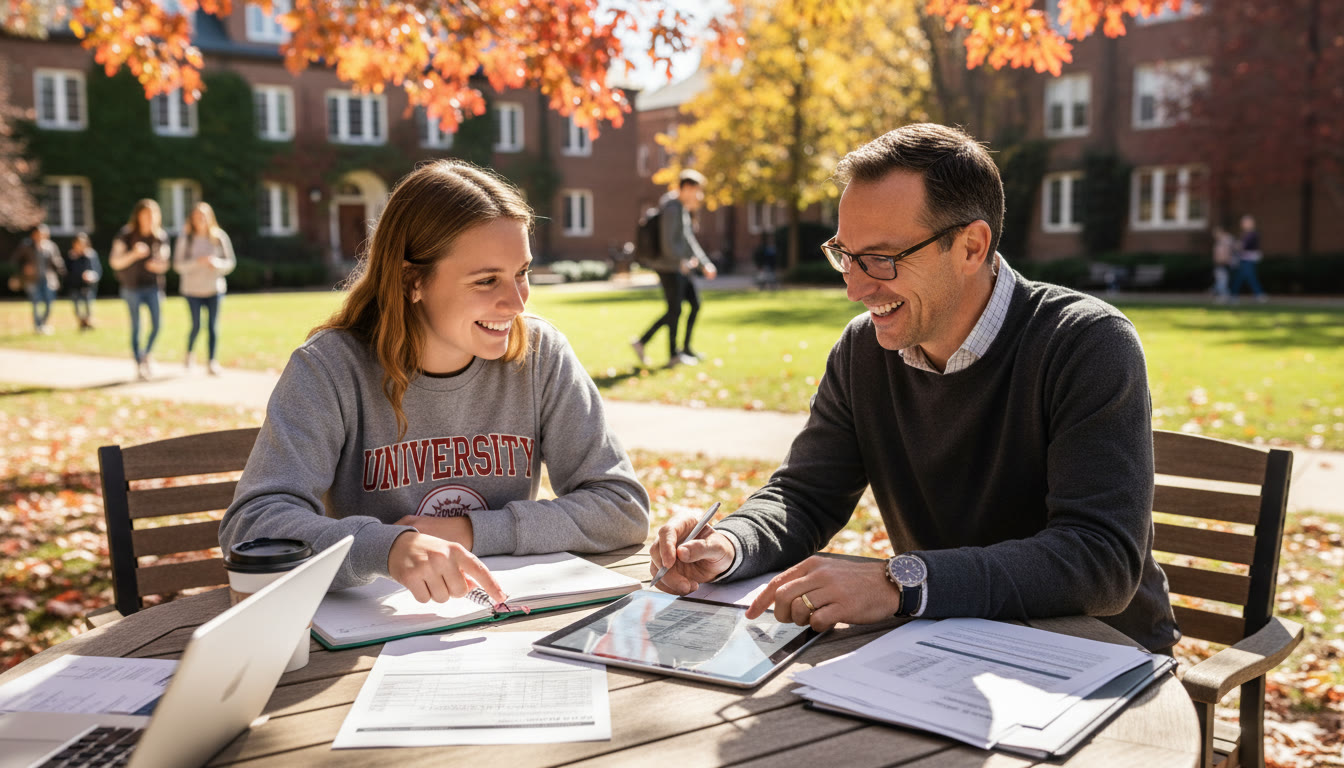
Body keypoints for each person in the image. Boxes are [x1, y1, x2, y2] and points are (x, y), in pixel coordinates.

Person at [648, 123, 1179, 653]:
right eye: (845, 255)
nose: (855, 287)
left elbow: (1100, 559)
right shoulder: (863, 350)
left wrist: (900, 582)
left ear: (971, 247)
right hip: (941, 645)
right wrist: (731, 542)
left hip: (1099, 657)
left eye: (882, 259)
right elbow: (806, 496)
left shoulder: (1085, 343)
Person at [220, 160, 651, 603]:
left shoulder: (540, 355)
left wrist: (469, 531)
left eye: (522, 273)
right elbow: (254, 524)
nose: (517, 302)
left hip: (504, 620)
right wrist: (386, 548)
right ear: (412, 280)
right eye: (487, 280)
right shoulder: (330, 369)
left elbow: (621, 507)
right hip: (369, 638)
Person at [631, 169, 718, 368]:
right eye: (697, 190)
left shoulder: (680, 207)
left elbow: (688, 240)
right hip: (667, 266)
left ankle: (676, 348)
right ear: (687, 188)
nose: (699, 195)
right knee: (675, 310)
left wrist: (704, 263)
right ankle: (671, 353)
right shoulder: (671, 208)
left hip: (678, 265)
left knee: (691, 305)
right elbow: (669, 242)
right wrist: (683, 261)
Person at [108, 199, 171, 380]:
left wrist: (158, 265)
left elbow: (164, 263)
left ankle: (146, 355)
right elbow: (115, 262)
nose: (150, 219)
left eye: (153, 215)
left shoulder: (160, 236)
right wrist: (133, 254)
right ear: (138, 216)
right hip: (131, 287)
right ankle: (139, 363)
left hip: (152, 286)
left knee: (157, 324)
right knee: (137, 326)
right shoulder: (126, 235)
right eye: (146, 215)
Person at [174, 202, 237, 375]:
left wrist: (216, 264)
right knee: (196, 325)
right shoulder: (185, 238)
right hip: (192, 290)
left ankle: (211, 362)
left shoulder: (219, 237)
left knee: (212, 326)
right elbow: (178, 266)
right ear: (192, 219)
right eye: (196, 216)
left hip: (214, 289)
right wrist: (197, 263)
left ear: (210, 217)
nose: (200, 219)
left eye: (203, 216)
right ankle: (189, 354)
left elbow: (230, 263)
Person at [11, 224, 65, 335]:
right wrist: (24, 268)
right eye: (39, 234)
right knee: (36, 302)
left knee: (49, 302)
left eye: (44, 234)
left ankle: (42, 324)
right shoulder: (26, 245)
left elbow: (58, 262)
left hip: (48, 279)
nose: (41, 236)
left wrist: (61, 269)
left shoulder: (51, 246)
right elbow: (15, 260)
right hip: (31, 280)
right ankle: (38, 327)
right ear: (34, 234)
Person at [65, 232, 102, 331]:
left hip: (87, 286)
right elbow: (66, 272)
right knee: (77, 307)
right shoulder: (71, 256)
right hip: (74, 286)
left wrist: (92, 275)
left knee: (88, 306)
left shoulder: (90, 255)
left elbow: (97, 270)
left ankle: (87, 323)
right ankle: (82, 323)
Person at [1229, 214, 1267, 303]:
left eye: (1245, 222)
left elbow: (1242, 246)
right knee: (1241, 277)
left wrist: (1235, 245)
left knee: (1249, 276)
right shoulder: (1244, 234)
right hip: (1243, 258)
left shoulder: (1253, 234)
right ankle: (1234, 295)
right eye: (1243, 222)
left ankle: (1259, 294)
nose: (1243, 224)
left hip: (1249, 259)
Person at [1211, 226, 1236, 304]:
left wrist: (1225, 260)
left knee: (1222, 281)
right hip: (1220, 264)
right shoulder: (1220, 241)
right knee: (1221, 281)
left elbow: (1227, 252)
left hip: (1224, 263)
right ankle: (1226, 296)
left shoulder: (1226, 240)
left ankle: (1224, 296)